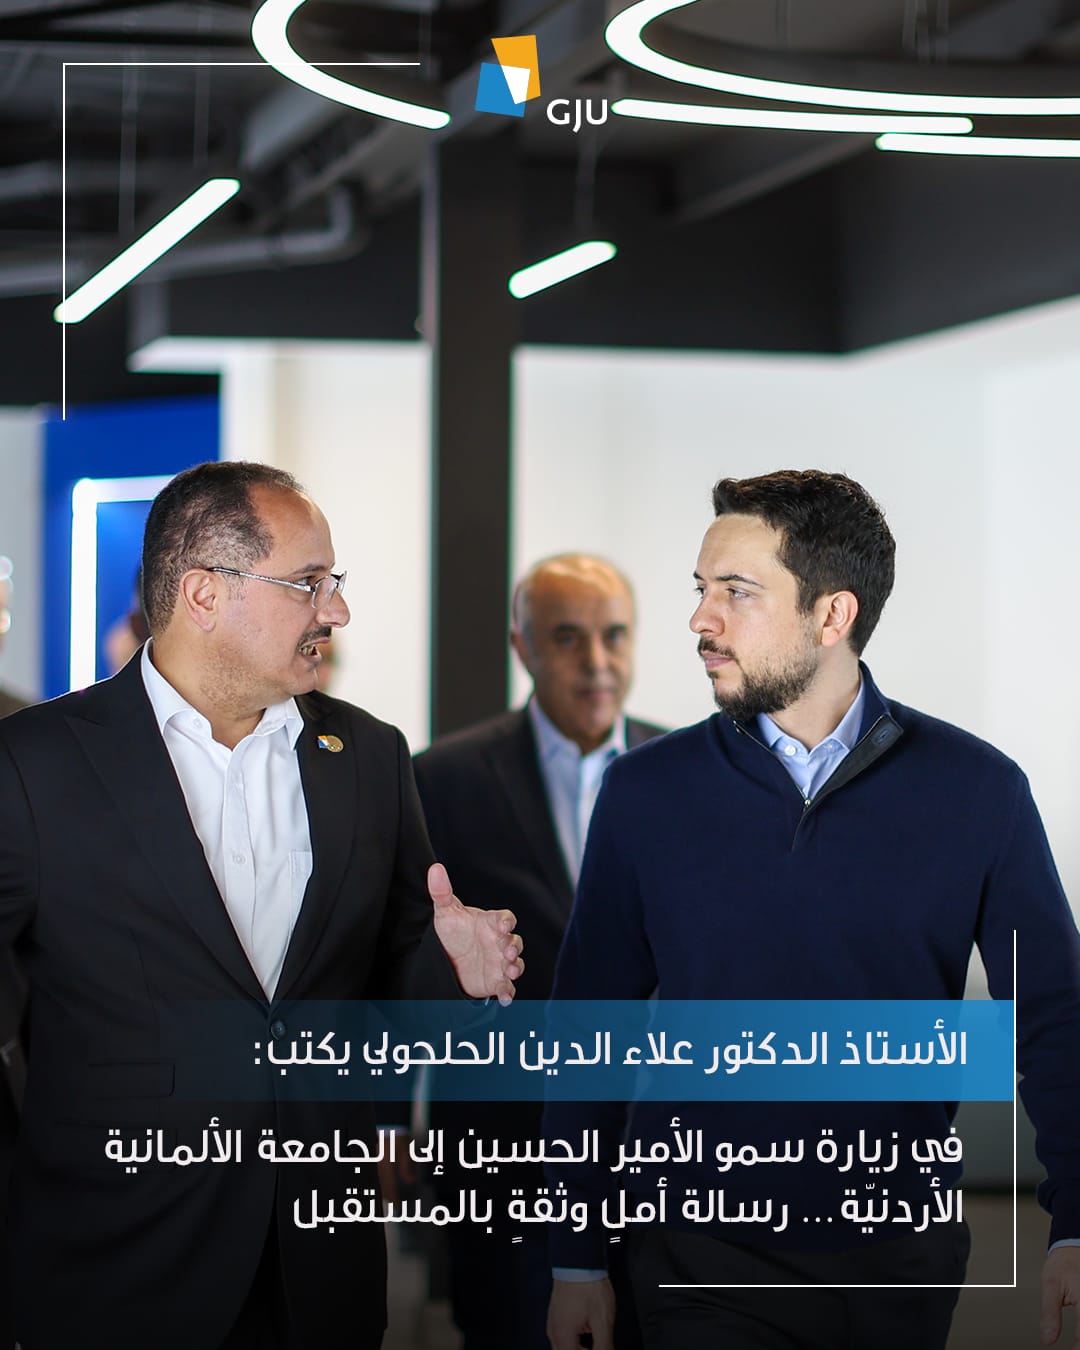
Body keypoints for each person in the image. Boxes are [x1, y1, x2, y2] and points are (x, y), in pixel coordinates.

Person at [544, 470, 1080, 1350]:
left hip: (898, 1261)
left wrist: (1073, 1221)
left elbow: (1053, 1017)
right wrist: (575, 1259)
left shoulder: (979, 791)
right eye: (700, 588)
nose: (700, 619)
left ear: (832, 616)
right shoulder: (644, 794)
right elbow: (587, 1030)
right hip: (697, 1255)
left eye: (737, 592)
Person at [0, 461, 524, 1350]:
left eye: (334, 582)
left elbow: (391, 986)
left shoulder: (368, 756)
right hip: (115, 1264)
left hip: (319, 1267)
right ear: (204, 593)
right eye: (308, 583)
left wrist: (455, 975)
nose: (336, 611)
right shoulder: (34, 765)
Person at [413, 554, 664, 1350]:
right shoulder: (441, 779)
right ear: (522, 646)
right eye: (567, 638)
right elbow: (402, 953)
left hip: (658, 1155)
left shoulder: (685, 775)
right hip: (504, 1155)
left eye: (614, 635)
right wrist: (385, 1118)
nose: (597, 662)